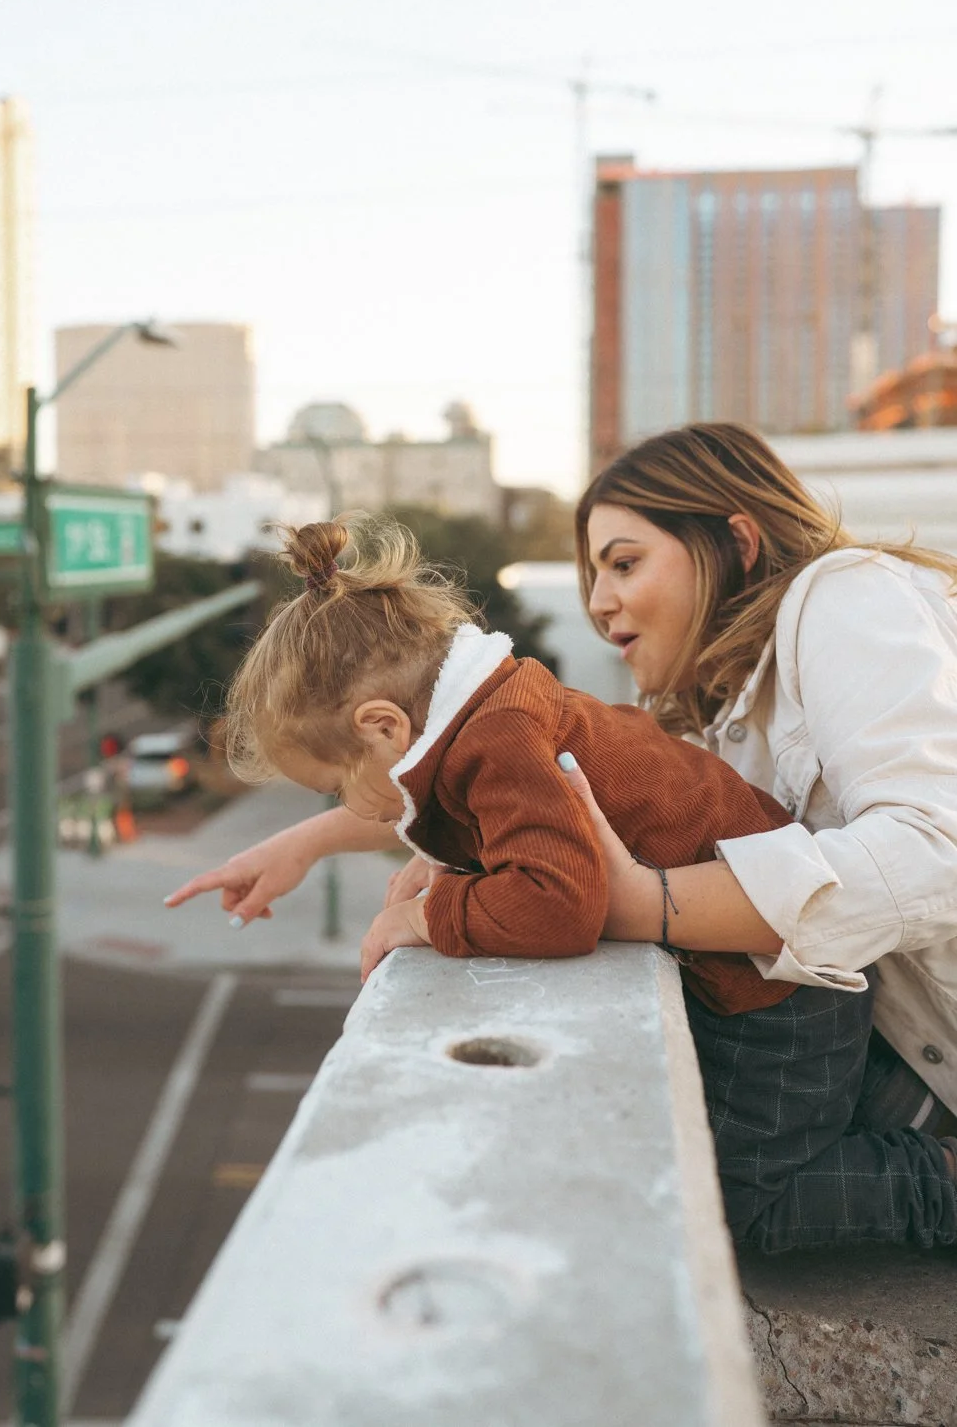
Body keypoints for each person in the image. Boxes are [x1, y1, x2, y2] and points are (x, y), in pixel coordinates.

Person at [168, 510, 957, 1251]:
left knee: (741, 1204)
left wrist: (429, 915)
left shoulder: (499, 738)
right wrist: (303, 847)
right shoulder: (489, 712)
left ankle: (940, 1185)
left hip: (778, 999)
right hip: (763, 976)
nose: (343, 803)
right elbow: (471, 819)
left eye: (333, 785)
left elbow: (560, 904)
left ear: (384, 727)